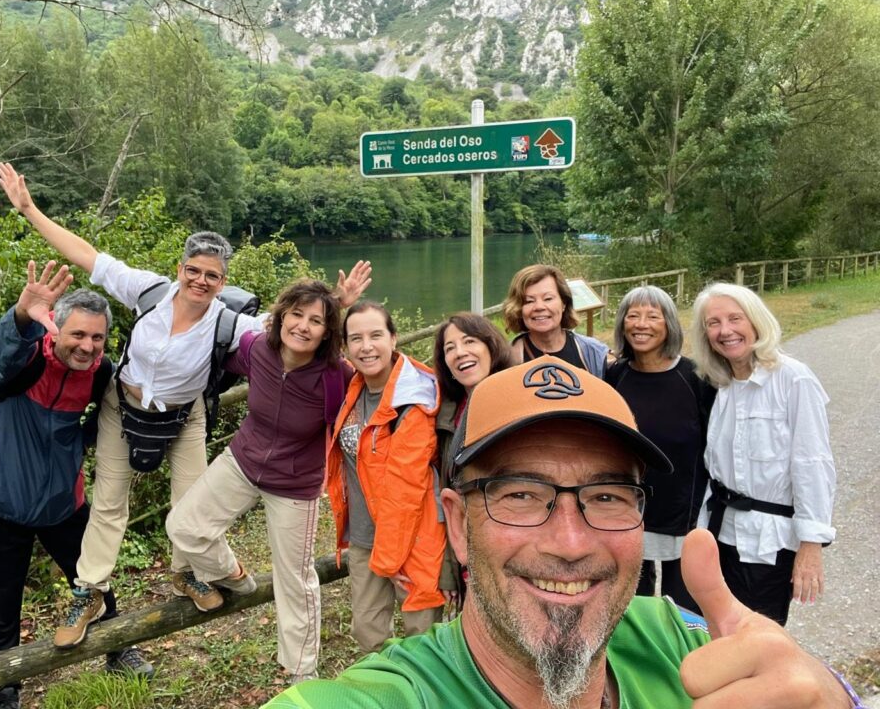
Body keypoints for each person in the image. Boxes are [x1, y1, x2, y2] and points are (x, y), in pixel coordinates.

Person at [263, 356, 863, 709]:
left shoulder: (675, 638)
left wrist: (833, 698)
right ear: (461, 526)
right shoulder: (395, 695)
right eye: (521, 495)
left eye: (606, 497)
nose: (570, 543)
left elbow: (793, 682)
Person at [0, 162, 268, 649]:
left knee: (191, 504)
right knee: (108, 506)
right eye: (194, 271)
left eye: (213, 275)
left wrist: (338, 302)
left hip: (184, 417)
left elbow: (290, 326)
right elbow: (86, 255)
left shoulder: (229, 323)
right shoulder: (149, 291)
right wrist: (29, 209)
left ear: (223, 280)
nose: (201, 282)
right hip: (120, 409)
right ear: (180, 269)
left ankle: (187, 574)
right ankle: (90, 591)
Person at [0, 261, 151, 709]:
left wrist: (77, 444)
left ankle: (118, 649)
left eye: (97, 338)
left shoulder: (98, 373)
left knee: (93, 579)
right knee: (1, 602)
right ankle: (4, 687)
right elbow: (1, 349)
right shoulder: (22, 360)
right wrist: (22, 315)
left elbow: (109, 417)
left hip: (63, 499)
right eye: (77, 335)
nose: (87, 347)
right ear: (55, 330)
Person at [165, 278, 361, 685]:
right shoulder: (258, 350)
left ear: (329, 332)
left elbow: (376, 390)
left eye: (317, 321)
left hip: (296, 483)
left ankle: (301, 673)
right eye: (296, 314)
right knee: (183, 526)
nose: (303, 326)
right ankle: (235, 575)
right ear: (281, 315)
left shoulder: (335, 375)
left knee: (295, 579)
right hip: (243, 459)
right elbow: (208, 350)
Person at [690, 282, 836, 626]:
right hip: (721, 532)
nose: (725, 331)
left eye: (734, 319)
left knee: (760, 639)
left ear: (755, 321)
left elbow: (813, 463)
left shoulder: (793, 380)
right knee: (715, 631)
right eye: (714, 323)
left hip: (768, 541)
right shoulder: (721, 385)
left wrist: (811, 545)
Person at [326, 301, 446, 653]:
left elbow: (406, 488)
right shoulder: (355, 387)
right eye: (356, 338)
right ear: (345, 347)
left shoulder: (414, 399)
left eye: (376, 335)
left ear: (393, 338)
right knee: (367, 632)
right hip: (366, 536)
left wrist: (390, 559)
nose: (367, 346)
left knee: (422, 639)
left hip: (413, 539)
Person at [604, 286, 715, 611]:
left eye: (653, 316)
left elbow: (714, 448)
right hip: (627, 512)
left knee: (683, 609)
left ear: (668, 324)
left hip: (683, 514)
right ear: (623, 323)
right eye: (633, 315)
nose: (641, 324)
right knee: (631, 607)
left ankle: (685, 662)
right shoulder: (614, 377)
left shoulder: (695, 379)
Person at [431, 313, 513, 610]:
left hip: (514, 543)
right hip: (470, 549)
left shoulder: (519, 399)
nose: (460, 352)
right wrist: (450, 569)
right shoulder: (447, 415)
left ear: (491, 346)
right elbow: (448, 496)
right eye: (449, 348)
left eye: (469, 341)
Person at [502, 264, 610, 377]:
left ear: (564, 303)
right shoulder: (508, 358)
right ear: (518, 309)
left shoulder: (593, 352)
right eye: (529, 301)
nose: (539, 307)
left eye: (548, 298)